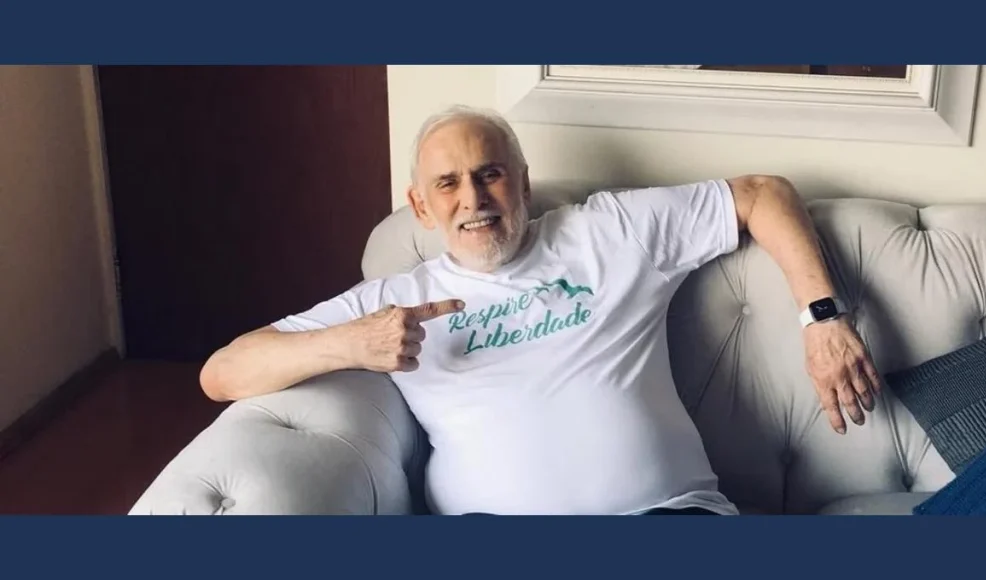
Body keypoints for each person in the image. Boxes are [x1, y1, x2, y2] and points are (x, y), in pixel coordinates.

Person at [198, 104, 883, 516]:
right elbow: (221, 373)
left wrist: (822, 319)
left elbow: (763, 193)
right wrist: (350, 344)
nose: (474, 198)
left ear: (523, 183)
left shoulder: (608, 232)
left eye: (490, 173)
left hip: (670, 516)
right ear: (422, 207)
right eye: (448, 183)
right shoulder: (391, 299)